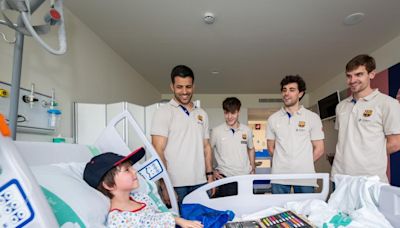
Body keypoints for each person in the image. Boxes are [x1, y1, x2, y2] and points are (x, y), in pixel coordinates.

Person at [83, 147, 203, 228]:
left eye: (132, 167)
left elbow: (159, 215)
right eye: (127, 170)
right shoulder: (118, 219)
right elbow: (150, 222)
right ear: (109, 185)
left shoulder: (141, 198)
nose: (134, 171)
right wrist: (178, 220)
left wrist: (179, 220)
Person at [151, 65, 214, 209]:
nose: (184, 92)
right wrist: (164, 185)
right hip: (175, 185)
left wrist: (209, 175)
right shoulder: (164, 112)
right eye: (179, 87)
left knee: (201, 223)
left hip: (200, 182)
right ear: (172, 87)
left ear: (193, 86)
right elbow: (157, 150)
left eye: (188, 87)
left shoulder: (202, 114)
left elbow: (206, 147)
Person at [331, 54, 400, 184]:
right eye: (349, 76)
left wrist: (368, 155)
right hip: (340, 176)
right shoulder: (341, 106)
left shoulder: (388, 103)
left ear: (372, 74)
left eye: (358, 74)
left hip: (370, 179)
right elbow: (345, 141)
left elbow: (396, 143)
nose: (352, 80)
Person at [266, 75, 325, 194]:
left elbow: (319, 149)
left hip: (305, 176)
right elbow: (270, 148)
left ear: (300, 93)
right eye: (284, 90)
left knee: (305, 211)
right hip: (279, 176)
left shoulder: (312, 117)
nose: (286, 93)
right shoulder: (273, 119)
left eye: (291, 90)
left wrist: (303, 164)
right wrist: (285, 163)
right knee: (278, 210)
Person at [211, 97, 255, 197]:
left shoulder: (247, 130)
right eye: (226, 113)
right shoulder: (216, 131)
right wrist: (212, 171)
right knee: (227, 210)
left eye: (233, 113)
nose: (229, 116)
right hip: (225, 178)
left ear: (238, 112)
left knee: (246, 209)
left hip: (245, 177)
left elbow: (251, 149)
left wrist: (253, 168)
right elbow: (207, 151)